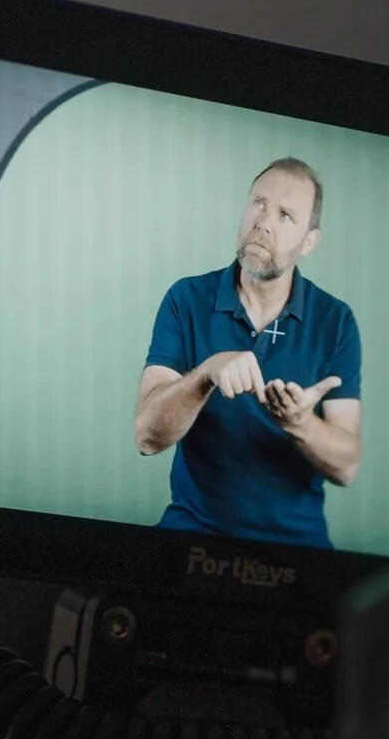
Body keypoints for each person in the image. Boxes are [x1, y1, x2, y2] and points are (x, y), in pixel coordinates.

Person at [135, 159, 362, 548]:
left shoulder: (336, 321)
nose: (264, 221)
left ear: (308, 241)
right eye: (258, 203)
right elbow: (147, 437)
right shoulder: (185, 299)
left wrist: (301, 422)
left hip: (298, 549)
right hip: (192, 537)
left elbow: (347, 466)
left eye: (285, 214)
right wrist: (207, 372)